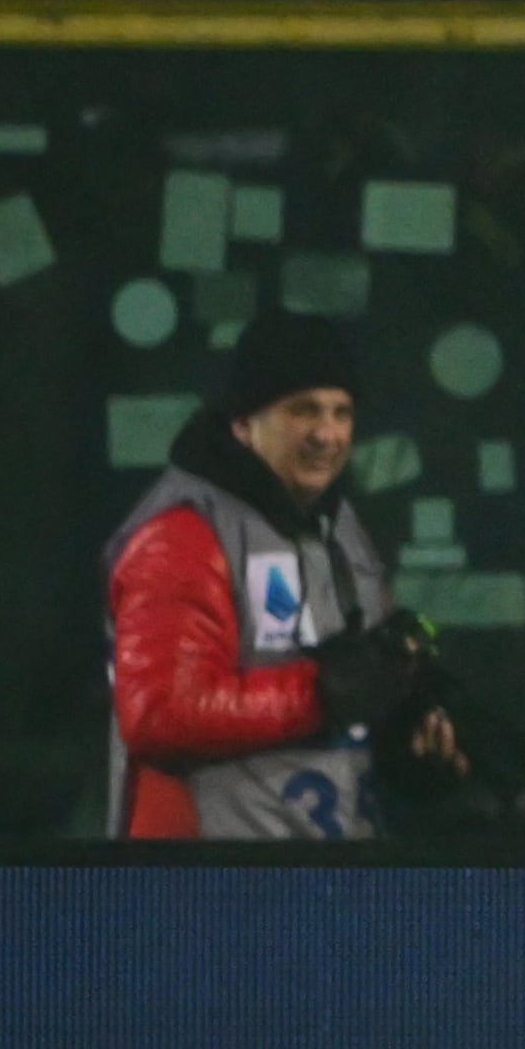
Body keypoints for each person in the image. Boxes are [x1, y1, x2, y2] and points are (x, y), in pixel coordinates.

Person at [105, 315, 448, 842]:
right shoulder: (182, 534)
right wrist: (321, 693)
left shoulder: (341, 527)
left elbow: (361, 690)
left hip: (330, 872)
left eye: (341, 413)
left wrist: (410, 742)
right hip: (208, 884)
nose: (325, 434)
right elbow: (160, 711)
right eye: (301, 410)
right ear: (242, 424)